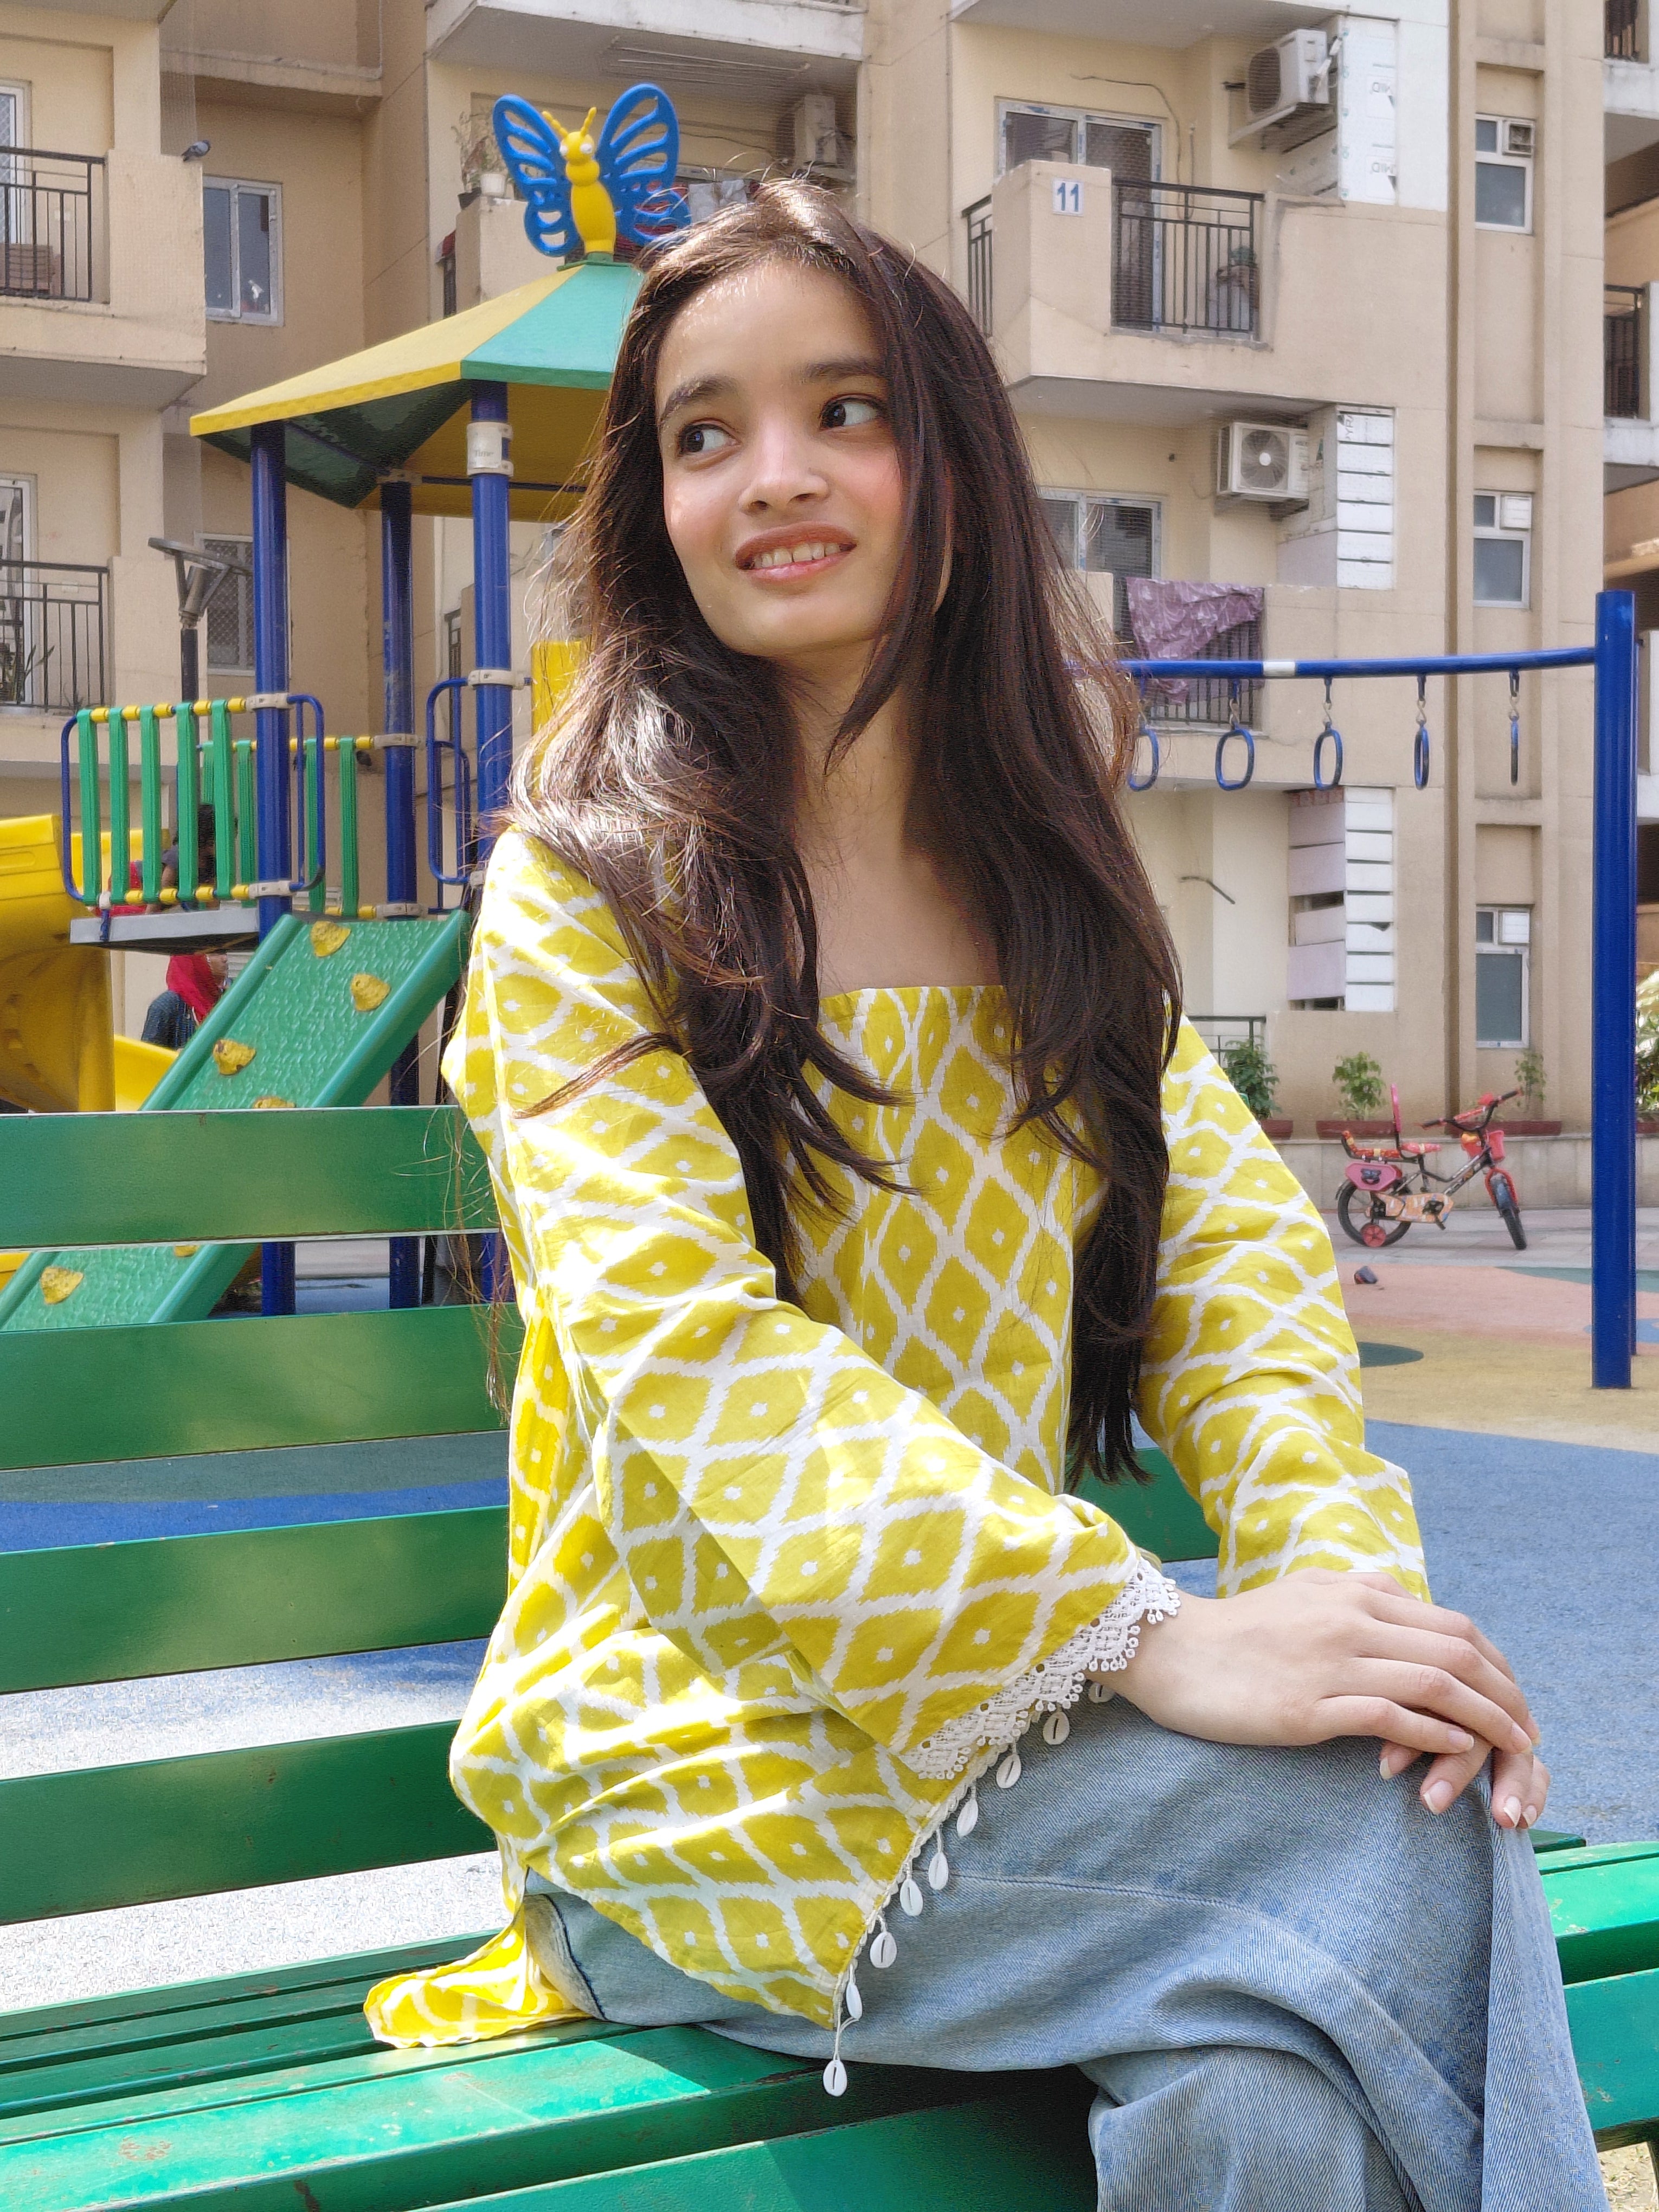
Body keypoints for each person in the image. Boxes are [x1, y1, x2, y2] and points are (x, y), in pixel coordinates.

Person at [365, 185, 1604, 2208]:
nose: (772, 474)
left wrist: (1339, 1602)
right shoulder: (583, 893)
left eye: (842, 409)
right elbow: (697, 1370)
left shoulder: (1051, 878)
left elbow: (1237, 1283)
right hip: (697, 1775)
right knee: (1401, 1837)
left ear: (948, 455)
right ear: (651, 500)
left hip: (1014, 1761)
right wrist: (1139, 1629)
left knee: (1269, 2075)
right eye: (703, 431)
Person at [140, 950, 224, 1049]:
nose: (225, 959)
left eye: (225, 953)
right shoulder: (167, 1005)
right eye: (216, 954)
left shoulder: (224, 999)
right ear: (194, 963)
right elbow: (148, 1055)